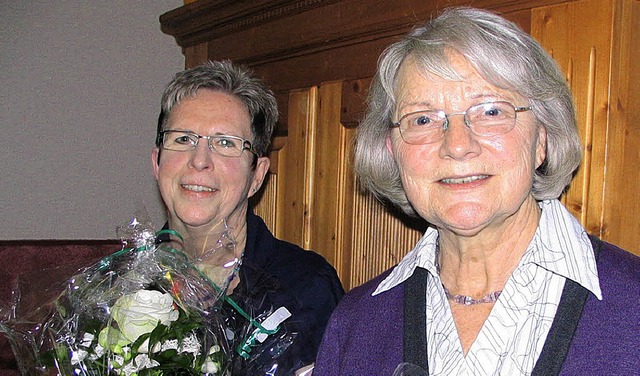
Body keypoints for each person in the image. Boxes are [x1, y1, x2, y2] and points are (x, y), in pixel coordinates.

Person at [314, 7, 640, 376]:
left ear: (542, 139)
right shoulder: (356, 324)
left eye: (490, 111)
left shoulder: (634, 307)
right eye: (423, 119)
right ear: (393, 150)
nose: (456, 145)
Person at [152, 60, 344, 374]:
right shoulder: (117, 290)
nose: (199, 161)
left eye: (226, 143)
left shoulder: (307, 289)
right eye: (183, 139)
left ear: (257, 175)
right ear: (157, 163)